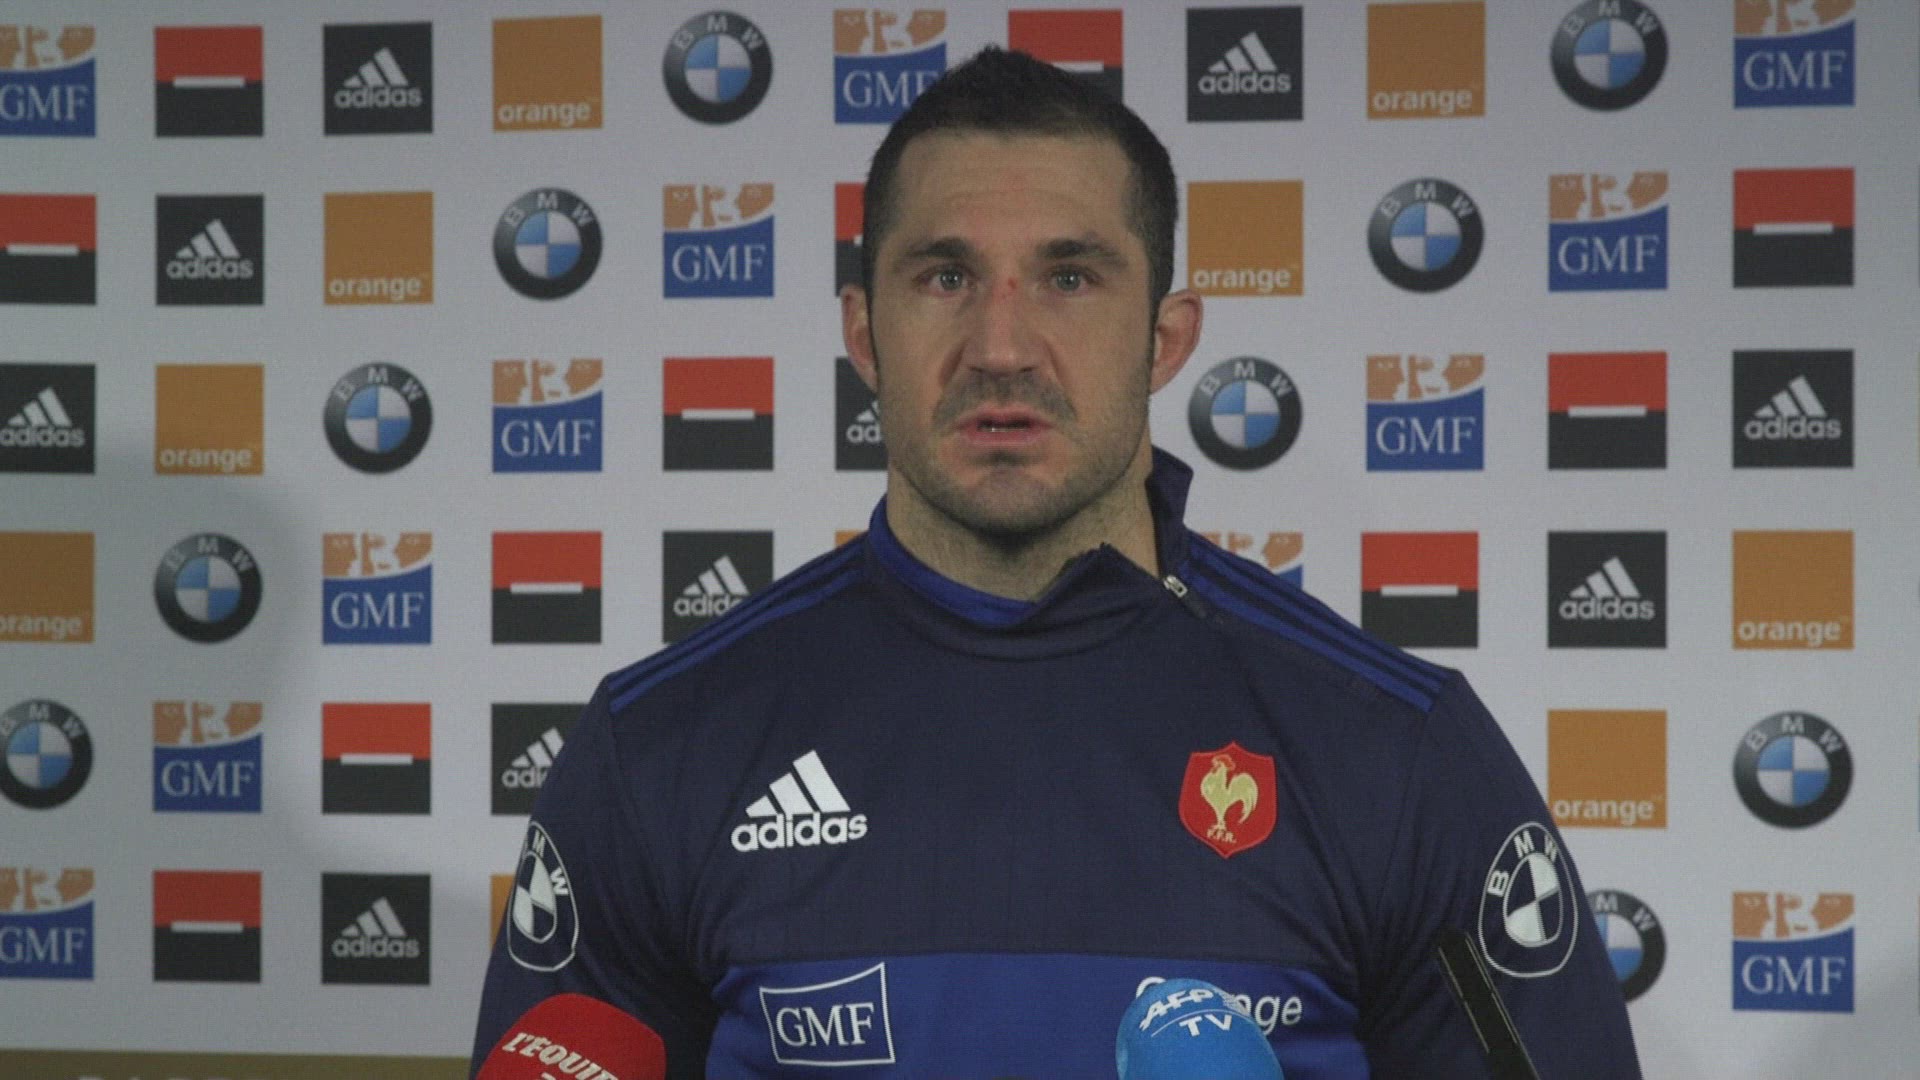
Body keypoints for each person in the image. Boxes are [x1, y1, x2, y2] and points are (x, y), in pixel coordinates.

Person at [473, 47, 1642, 1078]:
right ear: (863, 333)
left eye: (1070, 278)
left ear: (1166, 339)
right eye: (945, 277)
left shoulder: (1396, 752)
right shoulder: (660, 746)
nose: (1001, 345)